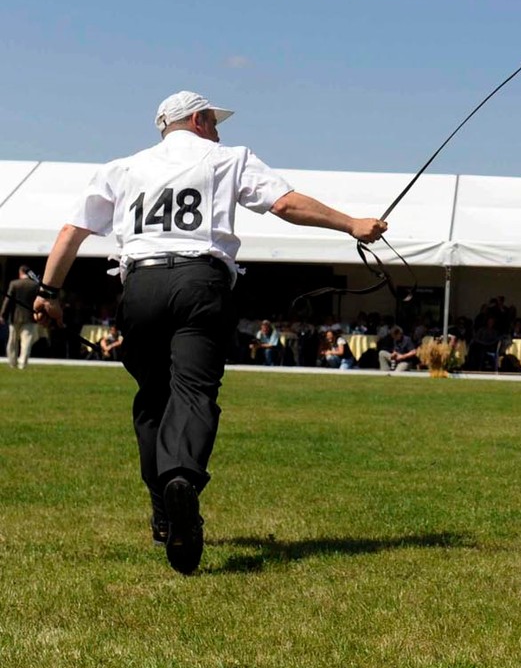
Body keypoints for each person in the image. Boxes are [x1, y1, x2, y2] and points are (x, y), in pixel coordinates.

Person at [30, 90, 386, 575]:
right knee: (194, 391)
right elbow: (284, 204)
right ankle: (181, 480)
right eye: (214, 122)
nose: (219, 130)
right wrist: (351, 224)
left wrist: (48, 291)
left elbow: (72, 231)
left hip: (140, 283)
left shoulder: (122, 167)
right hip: (201, 281)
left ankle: (162, 506)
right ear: (197, 120)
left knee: (152, 398)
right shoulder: (228, 158)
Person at [3, 265, 39, 369]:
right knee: (26, 341)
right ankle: (23, 363)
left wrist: (3, 315)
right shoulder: (35, 285)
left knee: (12, 341)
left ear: (20, 272)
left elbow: (7, 301)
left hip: (15, 317)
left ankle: (12, 362)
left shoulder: (14, 284)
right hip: (30, 317)